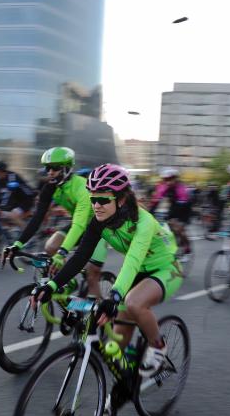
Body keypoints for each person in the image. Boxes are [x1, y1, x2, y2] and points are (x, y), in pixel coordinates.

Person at [30, 164, 182, 387]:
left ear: (120, 199)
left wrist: (115, 297)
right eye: (93, 199)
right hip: (138, 272)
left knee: (134, 303)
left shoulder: (143, 222)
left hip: (166, 268)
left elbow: (132, 261)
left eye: (102, 199)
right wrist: (51, 286)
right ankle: (126, 387)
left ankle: (158, 347)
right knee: (115, 347)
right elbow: (80, 257)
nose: (96, 206)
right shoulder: (99, 220)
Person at [3, 147, 105, 296]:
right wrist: (17, 244)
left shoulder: (82, 187)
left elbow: (79, 224)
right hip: (80, 225)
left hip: (99, 229)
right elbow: (37, 218)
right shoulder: (50, 188)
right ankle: (69, 283)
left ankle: (101, 314)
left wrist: (62, 253)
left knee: (92, 275)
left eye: (55, 168)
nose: (50, 172)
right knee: (50, 246)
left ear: (67, 168)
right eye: (47, 168)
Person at [149, 168, 192, 257]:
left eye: (170, 179)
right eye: (165, 180)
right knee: (167, 227)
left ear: (175, 179)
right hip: (174, 207)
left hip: (185, 209)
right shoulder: (165, 187)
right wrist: (150, 213)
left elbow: (181, 205)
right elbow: (156, 201)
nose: (168, 182)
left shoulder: (181, 188)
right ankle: (171, 245)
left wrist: (172, 218)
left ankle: (187, 249)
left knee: (179, 229)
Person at [0, 160, 36, 231]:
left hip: (26, 200)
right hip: (16, 201)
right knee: (1, 216)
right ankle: (9, 235)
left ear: (1, 170)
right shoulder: (0, 180)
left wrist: (1, 207)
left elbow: (9, 195)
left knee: (13, 215)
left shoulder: (12, 177)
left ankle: (28, 237)